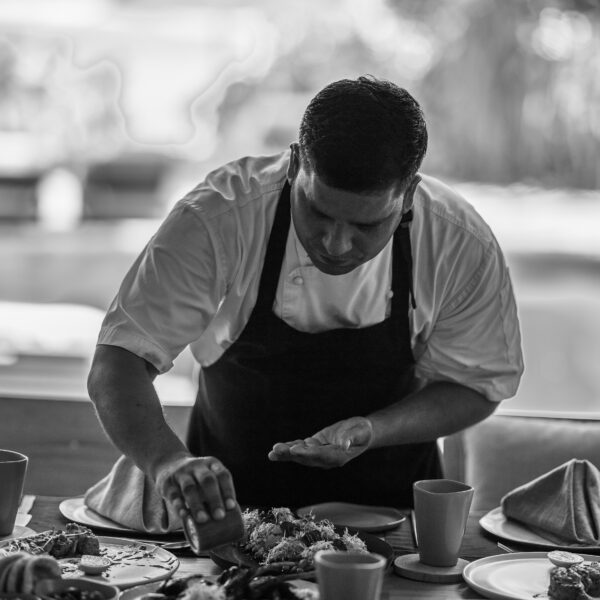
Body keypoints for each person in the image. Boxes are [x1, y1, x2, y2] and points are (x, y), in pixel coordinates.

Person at [87, 75, 523, 529]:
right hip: (227, 518)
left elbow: (478, 383)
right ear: (295, 166)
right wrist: (166, 464)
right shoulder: (218, 217)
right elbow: (117, 365)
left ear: (408, 193)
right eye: (317, 212)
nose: (336, 244)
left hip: (393, 522)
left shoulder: (457, 240)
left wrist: (373, 430)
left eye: (366, 225)